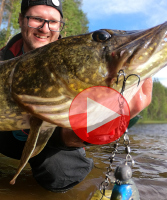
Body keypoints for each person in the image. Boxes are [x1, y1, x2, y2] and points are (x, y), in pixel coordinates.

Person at [0, 0, 153, 193]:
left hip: (55, 135)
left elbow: (74, 134)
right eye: (37, 19)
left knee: (61, 172)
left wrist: (97, 125)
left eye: (53, 22)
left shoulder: (74, 61)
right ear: (21, 20)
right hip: (6, 138)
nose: (45, 28)